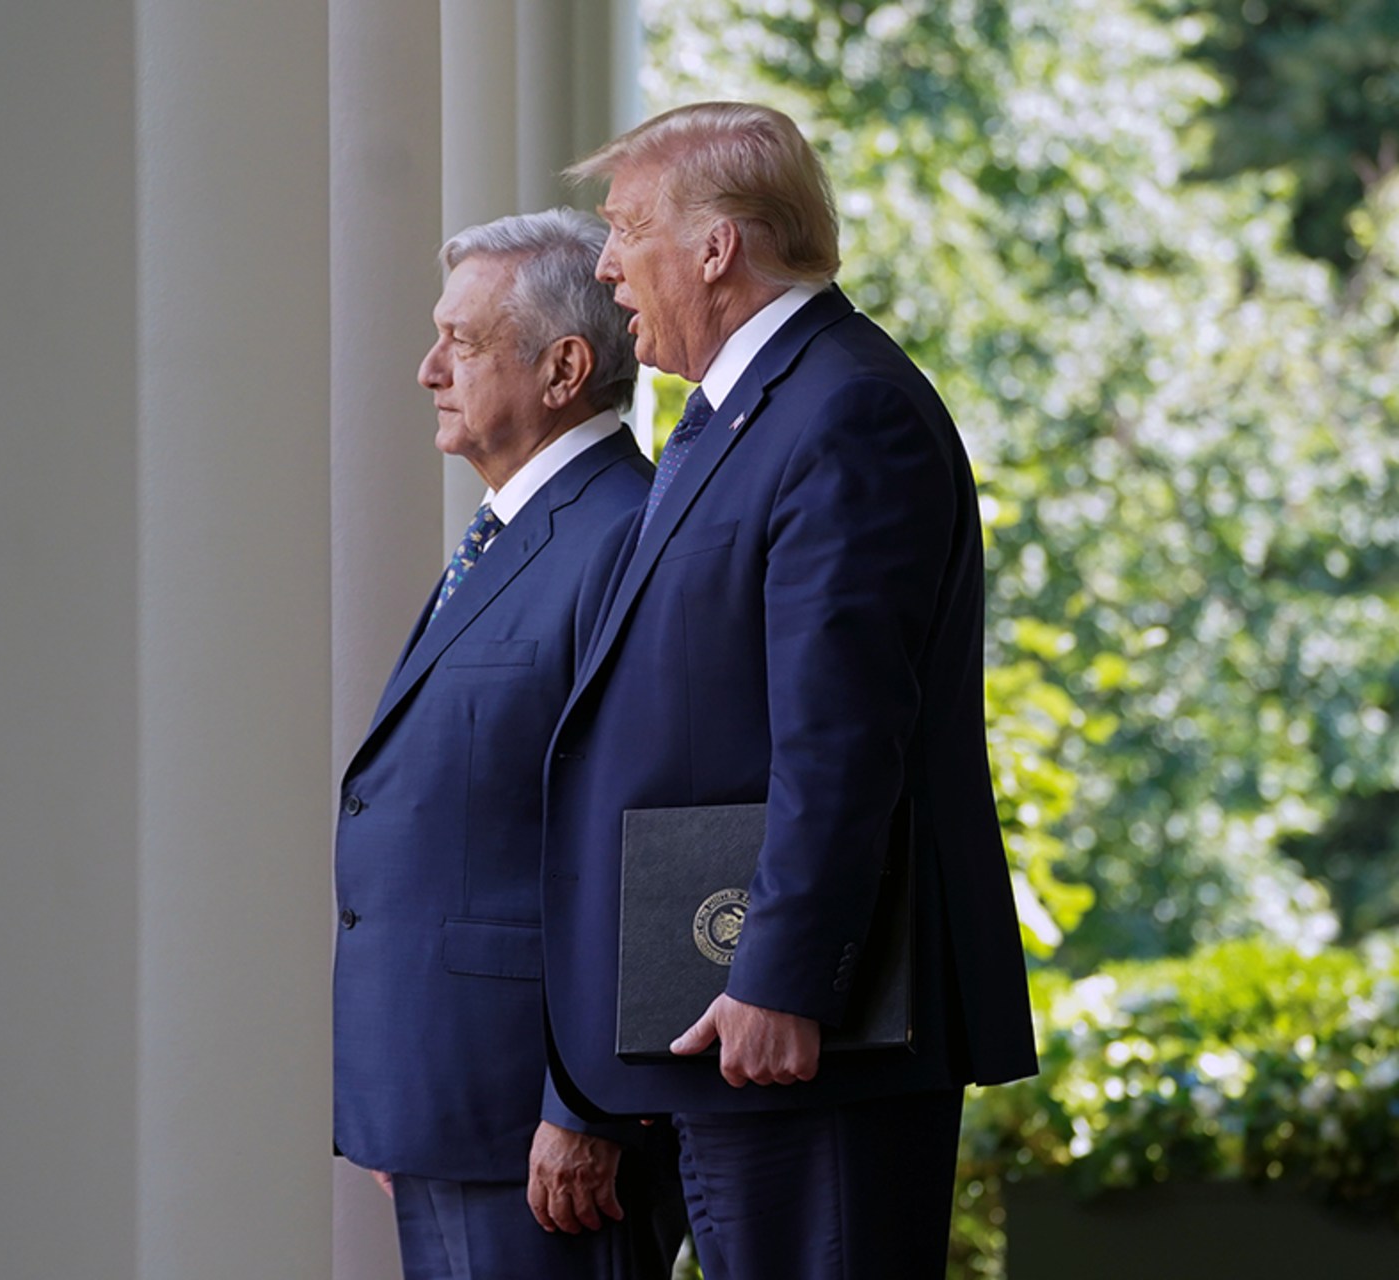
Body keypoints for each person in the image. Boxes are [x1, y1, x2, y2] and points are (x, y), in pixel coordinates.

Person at [539, 102, 1040, 1277]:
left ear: (717, 247)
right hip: (731, 1022)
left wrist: (779, 974)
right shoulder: (745, 414)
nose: (605, 265)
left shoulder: (845, 409)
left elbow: (842, 733)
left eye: (627, 228)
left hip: (809, 1030)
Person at [334, 209, 688, 1280]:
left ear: (564, 368)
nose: (429, 369)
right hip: (453, 1101)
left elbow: (645, 836)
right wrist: (404, 1085)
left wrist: (588, 1105)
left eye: (464, 341)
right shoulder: (514, 532)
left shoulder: (625, 534)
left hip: (545, 1130)